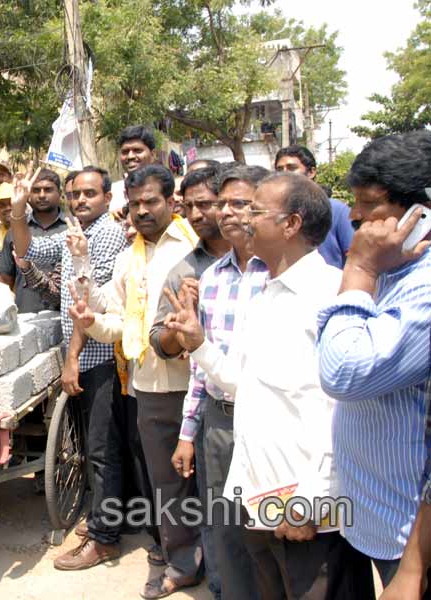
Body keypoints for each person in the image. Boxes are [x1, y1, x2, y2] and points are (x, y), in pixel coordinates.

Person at [165, 172, 374, 599]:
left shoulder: (328, 296)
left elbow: (341, 411)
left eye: (255, 211)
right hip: (261, 499)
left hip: (307, 510)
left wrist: (310, 502)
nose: (242, 220)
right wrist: (199, 344)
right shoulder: (266, 296)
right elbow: (245, 384)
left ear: (291, 225)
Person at [69, 164, 202, 597]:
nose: (142, 210)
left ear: (172, 202)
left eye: (151, 202)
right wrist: (90, 320)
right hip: (147, 385)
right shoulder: (131, 258)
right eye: (136, 204)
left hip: (196, 382)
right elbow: (120, 322)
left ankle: (212, 564)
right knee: (165, 482)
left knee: (209, 481)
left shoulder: (193, 247)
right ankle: (180, 562)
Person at [316, 130, 431, 592]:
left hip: (411, 537)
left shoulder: (422, 290)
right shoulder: (393, 271)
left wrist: (358, 269)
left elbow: (342, 372)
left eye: (370, 204)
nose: (355, 216)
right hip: (376, 519)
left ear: (421, 211)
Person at [11, 165, 128, 570]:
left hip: (98, 358)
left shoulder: (108, 235)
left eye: (89, 194)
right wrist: (16, 210)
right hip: (80, 354)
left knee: (101, 450)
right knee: (95, 448)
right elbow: (26, 251)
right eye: (75, 194)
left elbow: (88, 305)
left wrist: (74, 358)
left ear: (108, 198)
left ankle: (105, 538)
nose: (80, 200)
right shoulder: (74, 233)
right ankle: (101, 519)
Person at [165, 164, 269, 600]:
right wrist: (189, 433)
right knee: (222, 527)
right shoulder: (210, 279)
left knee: (270, 528)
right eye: (222, 203)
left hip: (269, 423)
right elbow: (199, 365)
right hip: (219, 424)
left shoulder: (285, 274)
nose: (227, 212)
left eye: (239, 203)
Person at [146, 164, 229, 598]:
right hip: (199, 399)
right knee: (195, 499)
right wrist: (182, 330)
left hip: (262, 404)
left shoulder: (267, 259)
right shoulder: (185, 270)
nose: (196, 213)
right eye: (190, 205)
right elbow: (159, 340)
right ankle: (195, 569)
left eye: (206, 204)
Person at [0, 153, 68, 311]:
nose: (41, 195)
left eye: (48, 190)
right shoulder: (16, 231)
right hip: (25, 316)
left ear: (60, 193)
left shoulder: (71, 229)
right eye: (36, 190)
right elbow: (5, 280)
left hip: (64, 317)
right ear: (28, 194)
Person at [274, 144, 354, 268]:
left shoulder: (337, 211)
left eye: (291, 168)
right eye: (279, 170)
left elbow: (355, 258)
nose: (285, 174)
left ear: (311, 172)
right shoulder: (274, 213)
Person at [110, 125, 158, 213]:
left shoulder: (163, 187)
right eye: (125, 152)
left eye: (137, 150)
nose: (130, 156)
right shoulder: (112, 192)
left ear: (153, 155)